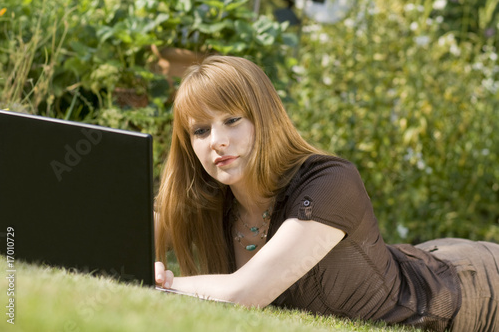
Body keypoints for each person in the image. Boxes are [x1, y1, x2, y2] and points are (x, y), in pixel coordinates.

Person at [154, 55, 499, 332]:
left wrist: (161, 282)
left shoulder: (330, 182)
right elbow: (122, 239)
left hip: (473, 291)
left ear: (265, 120)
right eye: (200, 130)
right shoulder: (205, 197)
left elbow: (244, 293)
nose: (217, 141)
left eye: (232, 120)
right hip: (413, 260)